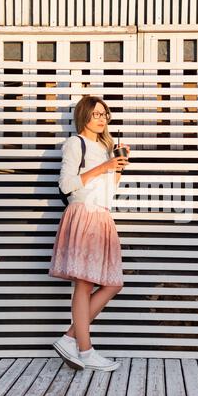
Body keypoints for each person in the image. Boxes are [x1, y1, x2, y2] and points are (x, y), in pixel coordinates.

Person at [48, 96, 130, 372]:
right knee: (84, 284)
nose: (101, 118)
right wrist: (103, 168)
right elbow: (67, 184)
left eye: (104, 114)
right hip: (84, 213)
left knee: (113, 283)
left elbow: (110, 192)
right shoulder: (75, 143)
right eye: (96, 114)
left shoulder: (105, 148)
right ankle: (86, 351)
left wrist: (117, 167)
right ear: (84, 115)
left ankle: (70, 338)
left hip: (102, 215)